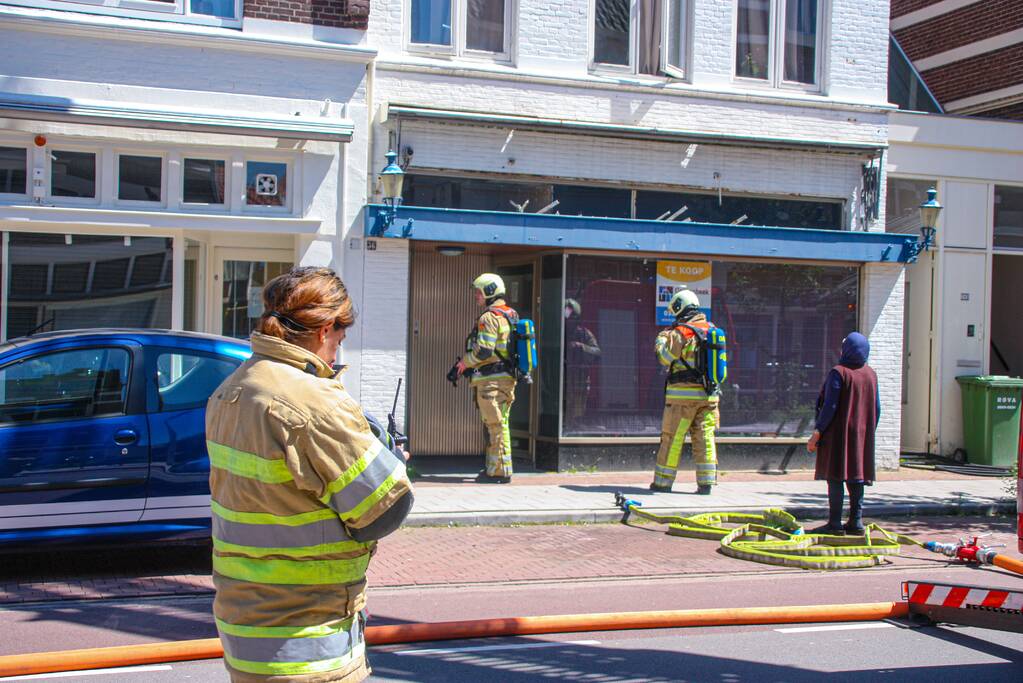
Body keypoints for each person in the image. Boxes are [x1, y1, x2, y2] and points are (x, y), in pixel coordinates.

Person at [205, 266, 413, 683]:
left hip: (245, 630)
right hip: (308, 641)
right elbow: (385, 509)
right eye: (340, 337)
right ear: (326, 329)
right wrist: (393, 461)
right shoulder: (314, 401)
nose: (338, 351)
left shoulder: (231, 390)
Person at [806, 332, 880, 535]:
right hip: (861, 435)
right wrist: (867, 431)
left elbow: (830, 406)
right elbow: (877, 408)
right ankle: (856, 522)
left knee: (835, 476)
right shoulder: (871, 375)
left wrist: (817, 432)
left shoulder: (839, 372)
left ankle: (835, 523)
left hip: (837, 435)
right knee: (856, 477)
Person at [651, 288, 719, 494]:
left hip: (682, 399)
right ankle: (706, 483)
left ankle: (663, 483)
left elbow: (664, 358)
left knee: (672, 439)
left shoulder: (682, 332)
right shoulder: (712, 329)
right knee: (705, 438)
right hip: (709, 397)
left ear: (680, 308)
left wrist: (661, 339)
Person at [455, 273, 517, 483]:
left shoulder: (489, 317)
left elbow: (484, 351)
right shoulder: (510, 314)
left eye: (479, 292)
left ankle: (499, 473)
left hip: (492, 381)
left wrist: (464, 363)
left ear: (490, 292)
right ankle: (496, 469)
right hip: (506, 379)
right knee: (501, 423)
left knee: (495, 425)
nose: (476, 296)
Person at [563, 298, 601, 426]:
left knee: (578, 406)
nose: (569, 322)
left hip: (579, 377)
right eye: (567, 319)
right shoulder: (558, 332)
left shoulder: (584, 334)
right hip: (562, 377)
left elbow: (597, 352)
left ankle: (575, 423)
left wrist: (581, 346)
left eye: (572, 318)